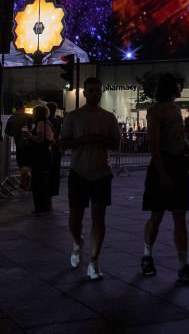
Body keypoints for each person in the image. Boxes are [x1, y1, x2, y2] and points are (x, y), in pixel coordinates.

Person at [59, 77, 121, 280]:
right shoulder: (73, 117)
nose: (95, 94)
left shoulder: (109, 118)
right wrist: (83, 141)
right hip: (79, 171)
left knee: (98, 217)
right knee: (75, 218)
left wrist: (100, 140)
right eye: (91, 90)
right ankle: (78, 242)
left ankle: (94, 261)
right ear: (85, 93)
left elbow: (115, 143)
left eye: (98, 90)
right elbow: (63, 142)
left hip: (101, 173)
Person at [142, 73, 189, 283]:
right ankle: (147, 254)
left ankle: (183, 264)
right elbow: (154, 144)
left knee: (180, 216)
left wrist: (187, 150)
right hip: (164, 166)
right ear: (171, 86)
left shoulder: (176, 110)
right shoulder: (156, 112)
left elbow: (178, 136)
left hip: (177, 165)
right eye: (179, 84)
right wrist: (162, 173)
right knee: (156, 216)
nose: (181, 87)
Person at [28, 104, 55, 215]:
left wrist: (29, 135)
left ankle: (40, 207)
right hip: (46, 155)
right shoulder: (49, 123)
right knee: (44, 181)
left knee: (38, 181)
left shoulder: (40, 124)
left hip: (39, 156)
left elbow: (39, 139)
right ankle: (46, 206)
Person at [47, 102, 64, 204]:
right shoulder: (58, 121)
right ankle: (50, 200)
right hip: (56, 149)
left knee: (48, 174)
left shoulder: (47, 122)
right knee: (54, 174)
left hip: (50, 150)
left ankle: (48, 199)